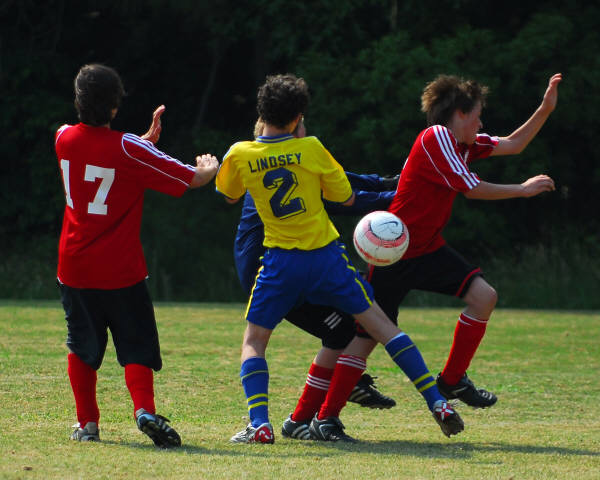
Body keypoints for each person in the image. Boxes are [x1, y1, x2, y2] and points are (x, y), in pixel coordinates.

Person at [216, 73, 464, 445]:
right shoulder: (311, 147)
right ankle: (437, 401)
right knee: (382, 327)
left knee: (255, 341)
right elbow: (346, 197)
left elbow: (229, 195)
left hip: (280, 264)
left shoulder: (239, 154)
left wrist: (213, 166)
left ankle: (259, 424)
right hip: (326, 260)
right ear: (298, 117)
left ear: (261, 112)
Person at [367, 73, 561, 408]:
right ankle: (318, 415)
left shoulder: (463, 144)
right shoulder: (437, 137)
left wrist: (545, 109)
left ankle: (453, 380)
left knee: (484, 297)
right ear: (460, 113)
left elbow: (514, 144)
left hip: (426, 248)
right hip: (394, 252)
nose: (481, 123)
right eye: (478, 115)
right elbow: (471, 188)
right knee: (364, 336)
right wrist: (522, 189)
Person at [55, 64, 219, 447]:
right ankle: (144, 410)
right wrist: (208, 168)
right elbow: (191, 177)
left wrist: (143, 143)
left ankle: (87, 425)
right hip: (120, 270)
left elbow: (101, 157)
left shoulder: (62, 137)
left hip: (74, 266)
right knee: (136, 344)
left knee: (81, 344)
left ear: (78, 101)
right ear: (115, 106)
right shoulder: (129, 148)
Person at [236, 118, 398, 423]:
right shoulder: (291, 171)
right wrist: (398, 198)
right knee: (350, 328)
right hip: (275, 273)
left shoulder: (280, 163)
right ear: (291, 131)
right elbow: (346, 201)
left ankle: (325, 401)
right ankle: (320, 406)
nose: (307, 133)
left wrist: (391, 183)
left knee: (351, 326)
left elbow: (348, 179)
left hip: (284, 268)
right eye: (303, 127)